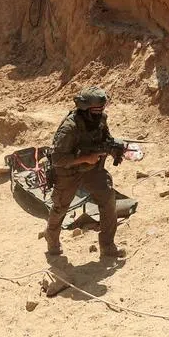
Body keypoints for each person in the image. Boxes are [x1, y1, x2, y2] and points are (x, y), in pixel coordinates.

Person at [44, 87, 125, 260]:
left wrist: (114, 148)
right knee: (60, 207)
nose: (99, 113)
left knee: (108, 196)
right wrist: (86, 158)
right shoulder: (70, 127)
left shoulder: (101, 120)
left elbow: (104, 139)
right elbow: (57, 158)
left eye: (101, 109)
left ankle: (108, 246)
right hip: (68, 171)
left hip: (91, 169)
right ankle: (52, 240)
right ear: (85, 109)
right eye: (95, 110)